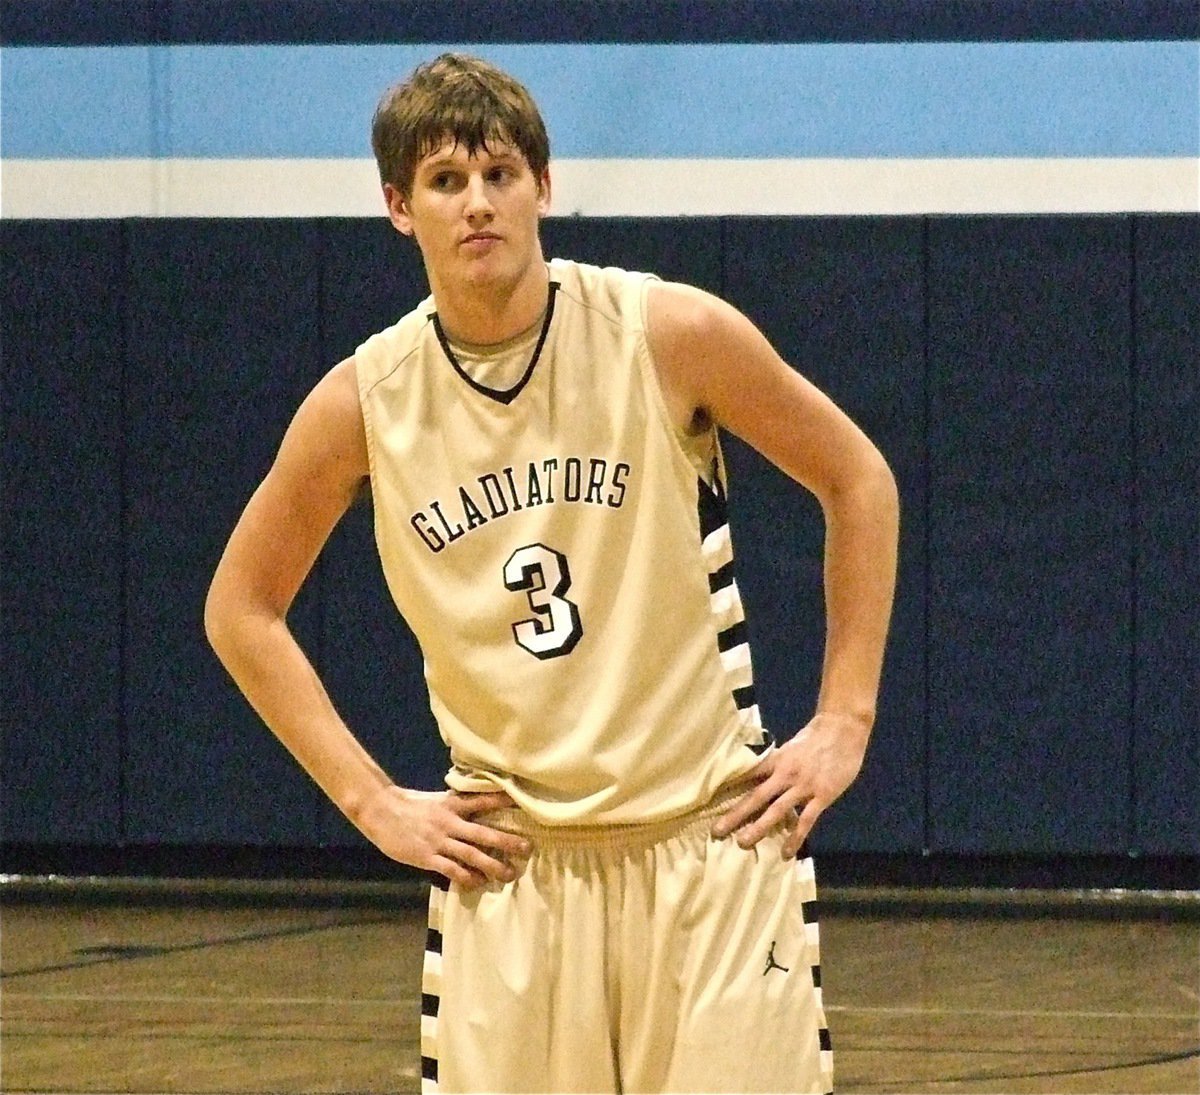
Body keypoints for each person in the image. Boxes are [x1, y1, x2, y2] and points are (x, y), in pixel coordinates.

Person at [205, 52, 899, 1094]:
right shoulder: (365, 401)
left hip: (708, 840)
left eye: (500, 175)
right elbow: (241, 610)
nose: (476, 203)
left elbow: (859, 481)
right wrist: (372, 804)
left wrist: (845, 717)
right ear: (399, 207)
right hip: (513, 868)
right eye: (445, 182)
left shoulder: (666, 334)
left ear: (544, 185)